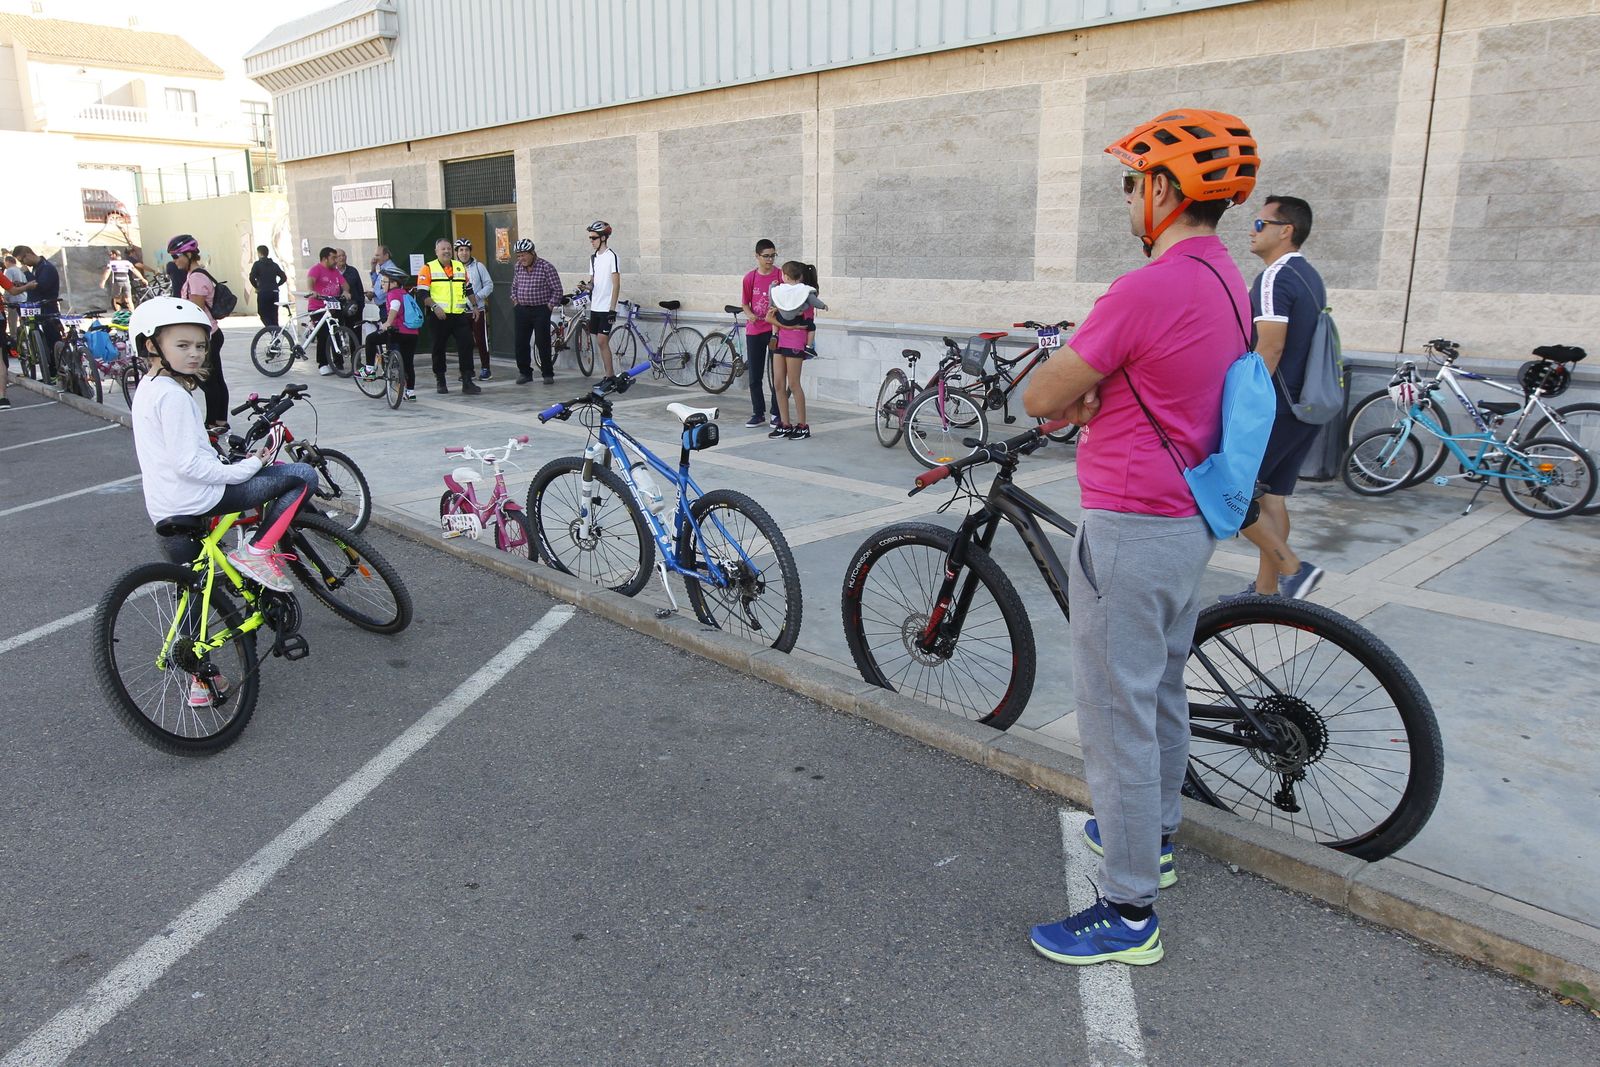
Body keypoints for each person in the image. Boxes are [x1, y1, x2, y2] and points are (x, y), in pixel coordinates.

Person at [1020, 107, 1261, 967]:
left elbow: (1042, 394)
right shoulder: (1226, 276)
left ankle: (1127, 911)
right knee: (1156, 687)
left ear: (1164, 190)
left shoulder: (1150, 285)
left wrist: (1079, 393)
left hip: (1129, 523)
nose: (1126, 196)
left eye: (1131, 181)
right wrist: (1101, 389)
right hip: (1187, 519)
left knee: (1115, 714)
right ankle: (1153, 835)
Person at [128, 296, 317, 708]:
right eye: (182, 345)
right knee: (302, 476)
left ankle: (201, 682)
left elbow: (175, 451)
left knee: (193, 592)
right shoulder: (176, 397)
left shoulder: (149, 388)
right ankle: (257, 550)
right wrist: (245, 468)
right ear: (151, 346)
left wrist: (215, 452)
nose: (195, 353)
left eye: (200, 345)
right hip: (201, 495)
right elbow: (190, 464)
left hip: (166, 508)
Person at [1223, 195, 1326, 601]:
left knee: (1228, 491)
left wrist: (1242, 405)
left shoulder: (1273, 279)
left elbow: (1271, 347)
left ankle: (1293, 569)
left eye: (1261, 223)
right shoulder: (1310, 276)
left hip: (1276, 408)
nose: (1252, 229)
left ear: (1287, 230)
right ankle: (1266, 590)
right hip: (1304, 408)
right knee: (1272, 498)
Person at [169, 234, 231, 431]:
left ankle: (213, 422)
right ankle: (220, 421)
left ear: (188, 254)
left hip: (206, 337)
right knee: (215, 380)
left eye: (176, 255)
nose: (174, 260)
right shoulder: (196, 275)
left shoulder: (196, 278)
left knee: (207, 380)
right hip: (211, 334)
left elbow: (195, 312)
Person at [765, 262, 825, 440]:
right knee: (777, 383)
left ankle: (802, 425)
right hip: (780, 340)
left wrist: (776, 322)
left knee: (794, 384)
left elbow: (798, 324)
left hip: (795, 341)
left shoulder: (806, 296)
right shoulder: (782, 293)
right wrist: (776, 323)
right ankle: (785, 424)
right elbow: (771, 316)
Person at [417, 236, 480, 395]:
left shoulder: (459, 267)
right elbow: (422, 293)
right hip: (438, 316)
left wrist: (475, 306)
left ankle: (467, 381)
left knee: (466, 345)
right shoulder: (428, 268)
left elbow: (468, 289)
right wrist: (435, 306)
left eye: (449, 249)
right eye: (443, 249)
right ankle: (440, 380)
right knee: (439, 348)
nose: (446, 251)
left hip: (459, 315)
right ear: (436, 251)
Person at [741, 239, 785, 427]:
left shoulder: (781, 275)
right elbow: (745, 303)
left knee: (777, 374)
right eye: (766, 256)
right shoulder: (750, 278)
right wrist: (750, 315)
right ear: (757, 256)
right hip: (755, 330)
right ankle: (758, 413)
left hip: (775, 330)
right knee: (755, 375)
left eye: (773, 255)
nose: (770, 260)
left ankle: (776, 413)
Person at [361, 265, 420, 401]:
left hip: (397, 331)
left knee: (370, 339)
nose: (382, 283)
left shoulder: (393, 293)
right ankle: (410, 392)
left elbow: (395, 306)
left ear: (393, 283)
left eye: (384, 280)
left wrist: (388, 323)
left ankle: (369, 370)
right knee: (408, 363)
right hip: (412, 333)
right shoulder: (405, 293)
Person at [509, 238, 562, 385]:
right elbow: (514, 286)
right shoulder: (518, 267)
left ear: (532, 253)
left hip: (541, 310)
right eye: (518, 256)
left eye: (524, 255)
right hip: (522, 309)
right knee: (520, 342)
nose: (521, 259)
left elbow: (557, 290)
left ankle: (547, 373)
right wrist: (515, 301)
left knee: (542, 342)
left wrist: (549, 306)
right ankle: (525, 373)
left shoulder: (546, 267)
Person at [8, 245, 64, 382]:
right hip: (39, 308)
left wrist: (26, 274)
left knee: (53, 341)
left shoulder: (46, 267)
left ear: (28, 254)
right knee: (46, 341)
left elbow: (41, 287)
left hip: (48, 309)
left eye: (22, 260)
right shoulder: (38, 268)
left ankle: (57, 373)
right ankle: (51, 373)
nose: (23, 264)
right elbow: (35, 285)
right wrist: (22, 283)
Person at [306, 246, 350, 376]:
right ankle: (323, 363)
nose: (336, 260)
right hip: (318, 307)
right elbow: (310, 282)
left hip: (333, 306)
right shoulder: (316, 269)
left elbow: (344, 284)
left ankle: (338, 362)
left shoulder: (335, 271)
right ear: (325, 258)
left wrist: (346, 291)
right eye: (333, 257)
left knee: (336, 332)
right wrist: (312, 291)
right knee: (324, 335)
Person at [585, 220, 621, 377]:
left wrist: (612, 309)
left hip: (607, 307)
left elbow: (616, 284)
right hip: (595, 306)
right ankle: (607, 374)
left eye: (594, 238)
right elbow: (593, 282)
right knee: (599, 342)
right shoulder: (593, 258)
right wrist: (585, 286)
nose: (591, 241)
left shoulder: (611, 256)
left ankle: (610, 375)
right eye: (590, 238)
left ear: (603, 238)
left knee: (602, 340)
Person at [456, 238, 495, 380]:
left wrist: (477, 297)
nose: (464, 253)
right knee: (464, 342)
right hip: (460, 311)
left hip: (477, 310)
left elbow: (489, 285)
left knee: (481, 340)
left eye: (466, 250)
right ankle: (467, 370)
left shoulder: (479, 267)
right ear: (457, 253)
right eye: (461, 250)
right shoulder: (453, 268)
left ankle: (486, 368)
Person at [248, 245, 287, 328]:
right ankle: (276, 334)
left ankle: (273, 331)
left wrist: (257, 287)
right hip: (274, 292)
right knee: (274, 315)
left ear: (259, 253)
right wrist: (277, 285)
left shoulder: (257, 264)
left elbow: (251, 277)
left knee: (263, 313)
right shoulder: (274, 265)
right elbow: (284, 277)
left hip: (263, 292)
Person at [335, 249, 366, 337]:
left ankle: (356, 351)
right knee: (338, 335)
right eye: (339, 256)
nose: (342, 258)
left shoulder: (352, 271)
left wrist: (361, 306)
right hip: (338, 309)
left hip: (353, 308)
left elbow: (360, 289)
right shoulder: (332, 272)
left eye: (343, 255)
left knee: (355, 334)